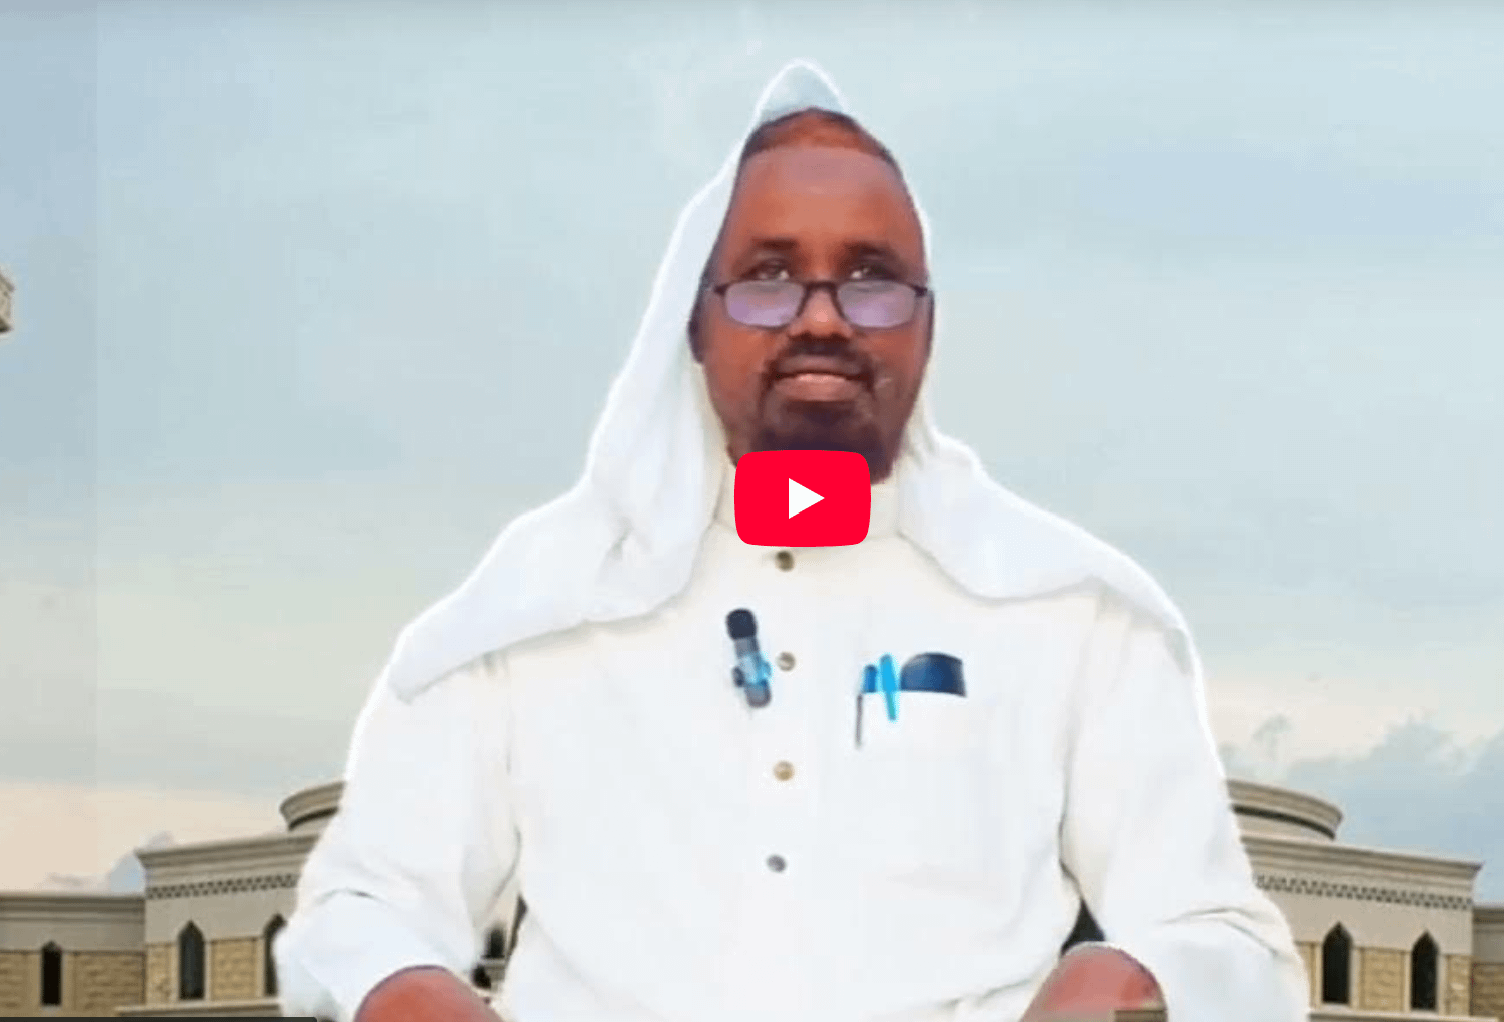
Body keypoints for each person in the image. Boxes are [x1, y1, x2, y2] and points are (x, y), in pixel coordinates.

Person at [275, 62, 1309, 1022]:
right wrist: (409, 988)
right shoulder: (541, 601)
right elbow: (361, 910)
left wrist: (1116, 975)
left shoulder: (1070, 610)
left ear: (925, 323)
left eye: (870, 278)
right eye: (768, 276)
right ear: (694, 322)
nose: (821, 319)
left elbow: (1223, 937)